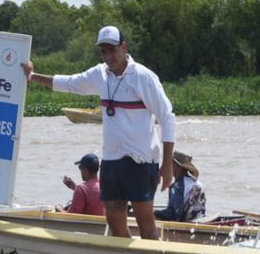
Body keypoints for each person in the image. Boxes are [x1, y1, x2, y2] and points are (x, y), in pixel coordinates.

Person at [23, 25, 176, 239]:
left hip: (141, 160)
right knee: (113, 219)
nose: (108, 56)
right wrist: (31, 76)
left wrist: (167, 165)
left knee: (146, 225)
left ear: (124, 47)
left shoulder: (143, 77)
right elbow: (69, 83)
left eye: (112, 50)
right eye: (103, 51)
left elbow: (167, 117)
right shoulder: (100, 74)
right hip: (112, 160)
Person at [154, 151, 207, 222]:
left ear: (177, 166)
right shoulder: (199, 183)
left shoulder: (177, 186)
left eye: (171, 163)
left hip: (186, 224)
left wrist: (154, 213)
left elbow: (173, 214)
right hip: (202, 220)